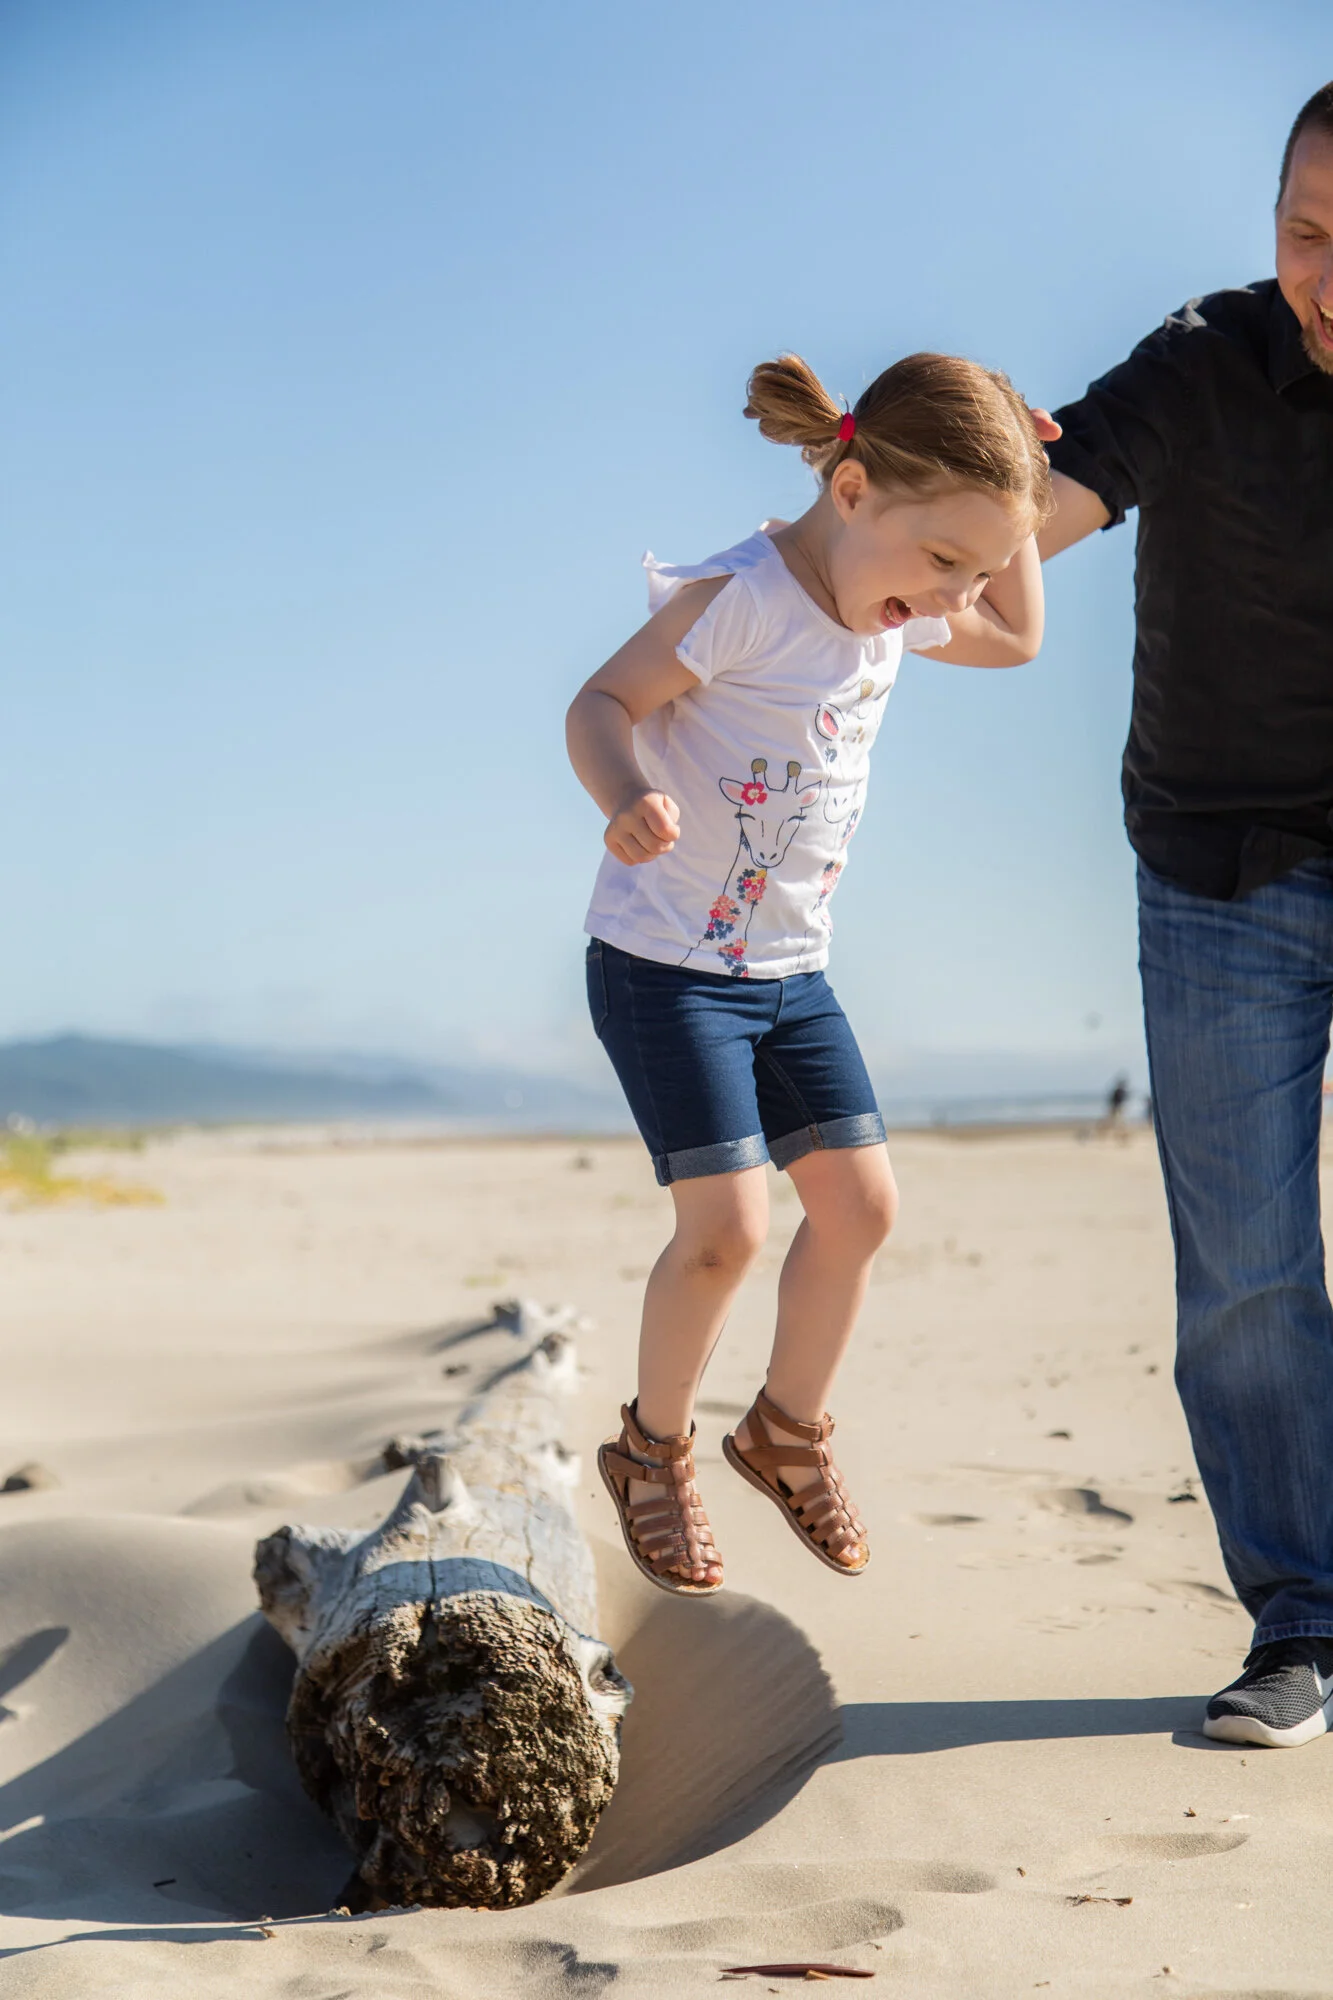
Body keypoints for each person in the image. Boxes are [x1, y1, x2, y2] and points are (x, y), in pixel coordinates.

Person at [567, 351, 1055, 1593]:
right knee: (725, 1228)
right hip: (666, 967)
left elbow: (1017, 641)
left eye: (978, 565)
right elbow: (600, 702)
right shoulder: (744, 598)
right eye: (943, 559)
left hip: (790, 971)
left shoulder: (891, 597)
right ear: (849, 490)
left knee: (863, 1207)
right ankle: (651, 1449)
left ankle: (782, 1430)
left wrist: (1020, 497)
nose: (957, 594)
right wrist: (626, 797)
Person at [1039, 82, 1333, 1746]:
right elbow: (1047, 504)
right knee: (1242, 1275)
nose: (1322, 274)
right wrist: (926, 523)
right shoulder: (1198, 362)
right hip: (1217, 869)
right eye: (1304, 235)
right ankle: (1299, 1614)